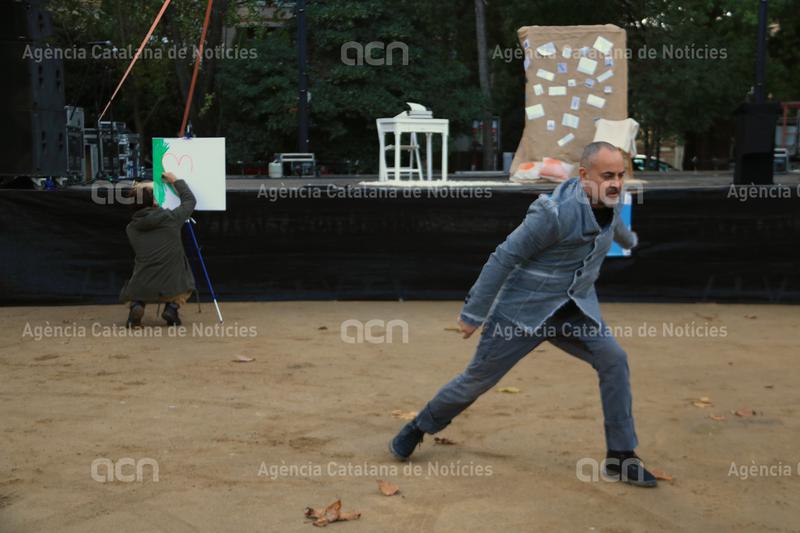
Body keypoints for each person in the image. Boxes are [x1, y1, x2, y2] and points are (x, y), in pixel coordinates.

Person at [389, 141, 658, 487]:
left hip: (574, 309)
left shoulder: (609, 195)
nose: (617, 183)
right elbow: (504, 257)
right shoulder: (552, 214)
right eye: (608, 175)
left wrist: (629, 238)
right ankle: (419, 426)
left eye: (621, 175)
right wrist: (474, 313)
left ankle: (621, 457)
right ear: (583, 176)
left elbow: (613, 226)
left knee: (614, 359)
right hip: (521, 314)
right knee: (476, 381)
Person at [120, 171, 196, 328]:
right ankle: (172, 308)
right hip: (172, 283)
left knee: (135, 286)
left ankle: (136, 306)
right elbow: (189, 201)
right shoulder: (171, 219)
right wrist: (176, 181)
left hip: (142, 284)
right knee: (187, 281)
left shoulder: (131, 228)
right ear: (155, 202)